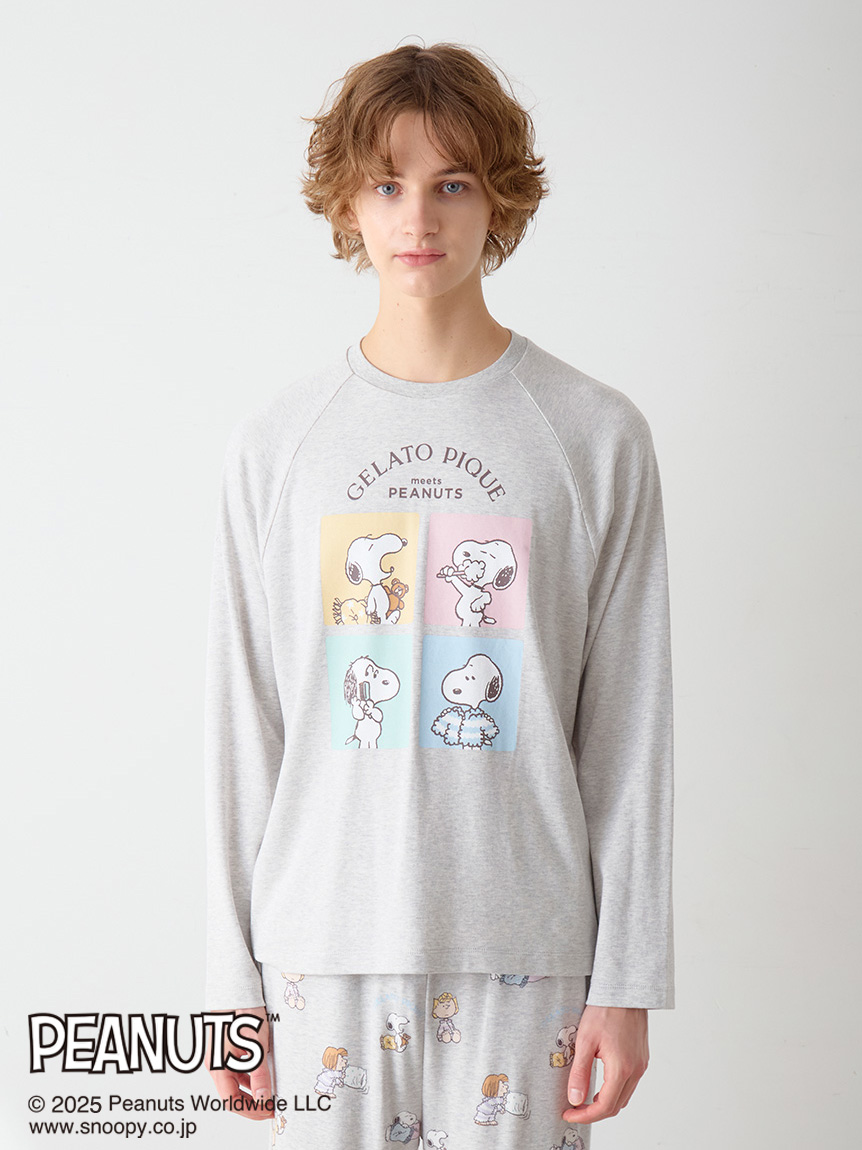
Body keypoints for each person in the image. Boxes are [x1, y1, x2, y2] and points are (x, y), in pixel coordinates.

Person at [203, 41, 674, 1149]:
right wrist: (231, 982)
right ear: (346, 203)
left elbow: (629, 728)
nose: (417, 216)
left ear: (498, 196)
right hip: (318, 955)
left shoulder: (594, 436)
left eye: (452, 182)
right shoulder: (278, 445)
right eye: (386, 183)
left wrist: (629, 978)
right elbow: (245, 722)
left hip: (529, 956)